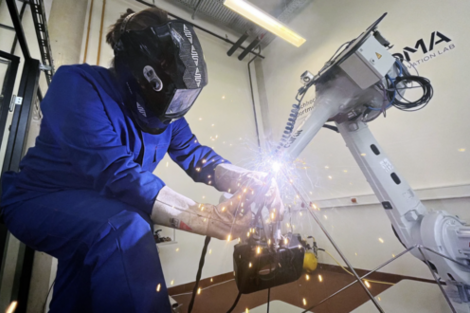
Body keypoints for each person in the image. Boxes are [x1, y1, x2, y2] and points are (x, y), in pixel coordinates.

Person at [0, 6, 283, 313]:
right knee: (127, 229)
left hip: (97, 214)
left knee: (78, 296)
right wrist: (209, 218)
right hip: (36, 199)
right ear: (143, 75)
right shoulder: (77, 86)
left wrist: (246, 179)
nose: (176, 109)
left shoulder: (168, 120)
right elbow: (118, 173)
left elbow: (196, 156)